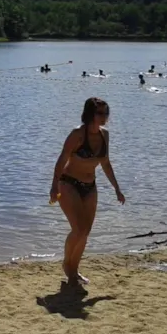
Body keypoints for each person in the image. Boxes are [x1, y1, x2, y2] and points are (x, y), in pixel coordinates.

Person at [50, 97, 126, 286]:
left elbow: (106, 163)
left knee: (86, 232)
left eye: (106, 113)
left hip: (90, 186)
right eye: (100, 113)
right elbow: (61, 160)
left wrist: (117, 188)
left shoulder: (104, 135)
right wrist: (54, 186)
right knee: (78, 229)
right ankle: (67, 265)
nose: (104, 117)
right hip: (68, 183)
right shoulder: (77, 134)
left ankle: (74, 271)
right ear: (90, 114)